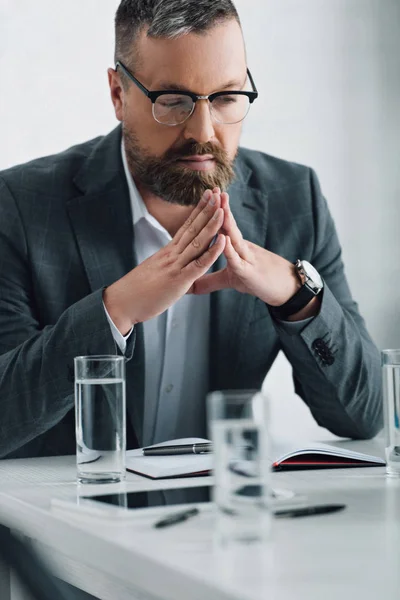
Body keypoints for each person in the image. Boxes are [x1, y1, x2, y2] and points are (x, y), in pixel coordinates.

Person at [0, 0, 382, 459]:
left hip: (220, 520)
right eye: (174, 101)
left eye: (225, 98)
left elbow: (366, 415)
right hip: (67, 522)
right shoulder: (20, 205)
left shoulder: (293, 199)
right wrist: (114, 311)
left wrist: (298, 296)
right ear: (118, 94)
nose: (204, 131)